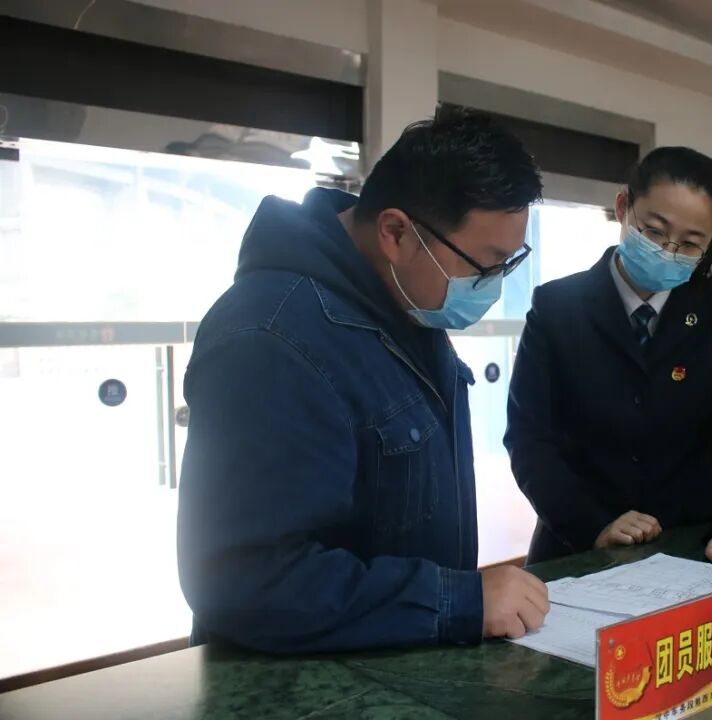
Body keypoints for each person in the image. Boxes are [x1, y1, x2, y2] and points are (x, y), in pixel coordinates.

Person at [177, 108, 549, 653]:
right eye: (485, 265)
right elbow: (244, 578)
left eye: (508, 265)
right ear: (396, 233)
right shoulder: (270, 339)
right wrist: (456, 602)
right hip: (298, 684)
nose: (491, 286)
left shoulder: (402, 307)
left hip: (396, 660)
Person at [504, 146, 712, 572]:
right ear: (622, 207)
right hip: (577, 545)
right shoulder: (557, 307)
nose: (668, 251)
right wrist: (592, 525)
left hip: (693, 543)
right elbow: (529, 438)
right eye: (654, 231)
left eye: (690, 243)